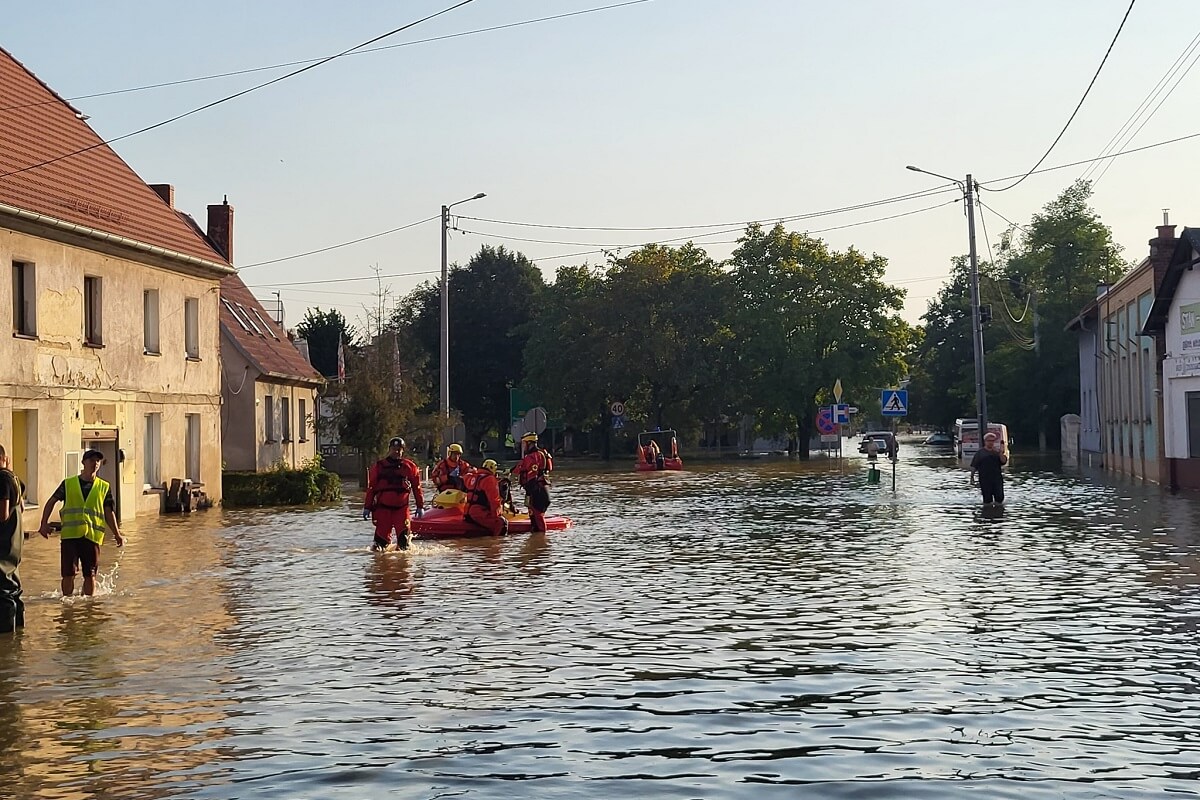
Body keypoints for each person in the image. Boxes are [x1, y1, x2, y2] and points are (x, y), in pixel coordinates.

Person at [38, 449, 124, 597]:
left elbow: (109, 512)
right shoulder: (69, 483)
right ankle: (67, 603)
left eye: (98, 461)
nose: (95, 463)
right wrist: (43, 524)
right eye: (91, 460)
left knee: (90, 575)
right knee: (68, 574)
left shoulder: (104, 487)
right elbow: (51, 501)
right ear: (83, 462)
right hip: (70, 537)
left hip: (91, 537)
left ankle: (89, 607)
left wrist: (117, 534)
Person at [364, 436, 425, 551]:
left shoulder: (410, 467)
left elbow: (417, 488)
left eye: (399, 449)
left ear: (403, 450)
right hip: (383, 510)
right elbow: (371, 488)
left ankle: (401, 567)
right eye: (394, 448)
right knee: (379, 547)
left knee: (404, 546)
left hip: (401, 510)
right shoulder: (379, 467)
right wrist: (367, 507)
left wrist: (420, 506)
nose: (396, 451)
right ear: (389, 449)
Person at [0, 446, 24, 632]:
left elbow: (3, 514)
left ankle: (6, 636)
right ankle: (18, 632)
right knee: (13, 587)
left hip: (4, 541)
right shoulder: (14, 478)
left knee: (3, 591)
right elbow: (21, 506)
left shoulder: (1, 479)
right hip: (15, 542)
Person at [512, 432, 553, 533]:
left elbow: (532, 476)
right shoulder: (541, 454)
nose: (523, 447)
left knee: (537, 517)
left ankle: (541, 543)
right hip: (540, 489)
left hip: (537, 490)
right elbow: (520, 468)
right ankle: (536, 543)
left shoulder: (532, 457)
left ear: (529, 443)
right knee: (533, 517)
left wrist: (529, 493)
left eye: (524, 444)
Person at [464, 459, 509, 537]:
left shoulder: (472, 476)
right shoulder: (490, 479)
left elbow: (464, 478)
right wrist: (497, 516)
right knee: (502, 523)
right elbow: (494, 501)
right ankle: (496, 545)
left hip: (468, 511)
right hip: (479, 512)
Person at [970, 431, 1009, 506]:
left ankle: (998, 514)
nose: (991, 443)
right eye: (989, 441)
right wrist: (972, 477)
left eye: (993, 441)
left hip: (997, 479)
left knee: (999, 498)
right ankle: (987, 514)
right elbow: (974, 466)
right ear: (985, 441)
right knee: (987, 500)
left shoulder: (997, 452)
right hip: (985, 479)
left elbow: (1003, 461)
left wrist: (1001, 453)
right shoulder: (980, 453)